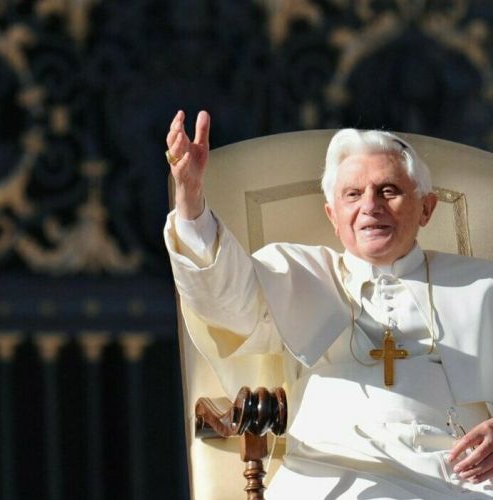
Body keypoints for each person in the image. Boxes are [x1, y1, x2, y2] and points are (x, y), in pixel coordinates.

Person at [164, 110, 493, 499]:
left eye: (389, 190)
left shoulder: (481, 284)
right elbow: (226, 300)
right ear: (333, 216)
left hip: (459, 477)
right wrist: (191, 202)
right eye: (353, 194)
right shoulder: (296, 273)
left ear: (426, 208)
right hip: (331, 473)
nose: (370, 206)